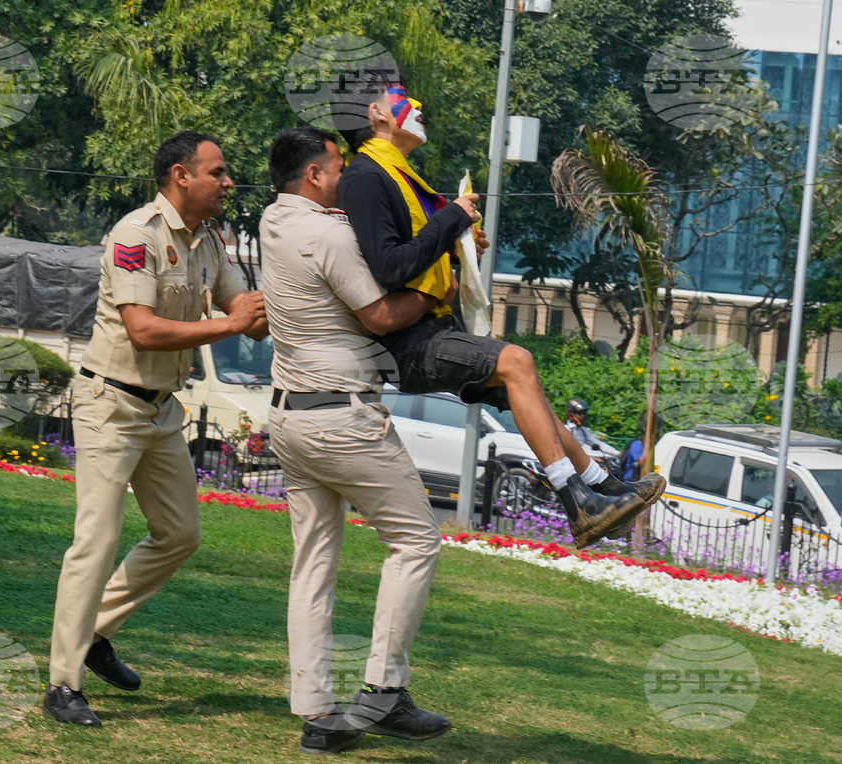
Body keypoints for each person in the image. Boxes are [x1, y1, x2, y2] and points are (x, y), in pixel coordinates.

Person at [335, 82, 666, 546]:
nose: (417, 103)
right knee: (518, 361)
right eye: (402, 95)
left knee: (523, 389)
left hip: (428, 329)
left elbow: (415, 258)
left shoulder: (397, 173)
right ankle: (578, 504)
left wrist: (456, 249)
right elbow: (390, 268)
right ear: (376, 113)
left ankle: (601, 486)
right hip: (406, 343)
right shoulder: (366, 177)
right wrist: (451, 220)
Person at [44, 131, 267, 727]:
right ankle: (63, 685)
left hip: (161, 409)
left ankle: (92, 634)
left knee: (180, 534)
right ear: (180, 176)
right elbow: (142, 330)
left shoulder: (210, 241)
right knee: (96, 542)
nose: (228, 183)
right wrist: (230, 326)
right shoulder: (135, 234)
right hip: (110, 403)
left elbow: (247, 309)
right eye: (217, 172)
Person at [260, 126, 456, 754]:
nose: (349, 176)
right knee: (416, 540)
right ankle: (384, 691)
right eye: (339, 166)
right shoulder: (331, 233)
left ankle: (317, 710)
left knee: (312, 564)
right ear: (313, 176)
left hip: (288, 417)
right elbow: (379, 313)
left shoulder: (273, 221)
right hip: (343, 418)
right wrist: (436, 293)